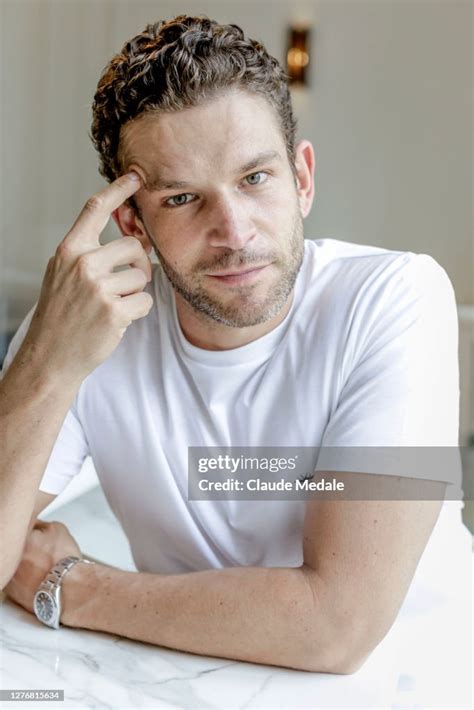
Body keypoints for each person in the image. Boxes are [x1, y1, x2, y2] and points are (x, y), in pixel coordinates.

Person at [0, 15, 470, 677]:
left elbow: (337, 628)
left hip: (412, 685)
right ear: (132, 222)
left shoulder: (393, 297)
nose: (232, 230)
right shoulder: (86, 328)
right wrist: (47, 362)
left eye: (255, 179)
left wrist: (75, 588)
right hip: (187, 686)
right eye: (184, 197)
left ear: (301, 179)